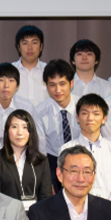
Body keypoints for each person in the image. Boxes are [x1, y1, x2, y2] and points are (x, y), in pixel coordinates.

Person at [60, 94, 111, 206]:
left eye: (96, 114)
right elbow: (67, 185)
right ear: (77, 117)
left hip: (110, 211)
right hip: (76, 209)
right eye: (84, 113)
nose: (90, 118)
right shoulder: (67, 149)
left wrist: (109, 211)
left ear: (104, 118)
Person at [32, 59, 80, 192]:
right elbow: (40, 149)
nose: (58, 90)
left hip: (81, 158)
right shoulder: (40, 111)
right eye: (52, 85)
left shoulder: (83, 106)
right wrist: (47, 181)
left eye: (62, 84)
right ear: (46, 86)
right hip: (53, 160)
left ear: (71, 83)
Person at [0, 110, 53, 208]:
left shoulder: (41, 161)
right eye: (14, 127)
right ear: (7, 131)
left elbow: (45, 198)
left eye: (25, 127)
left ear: (31, 132)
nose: (19, 132)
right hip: (5, 215)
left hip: (34, 216)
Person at [12, 25, 47, 106]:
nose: (30, 47)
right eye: (25, 43)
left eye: (34, 43)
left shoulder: (49, 70)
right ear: (18, 47)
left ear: (41, 46)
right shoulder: (9, 71)